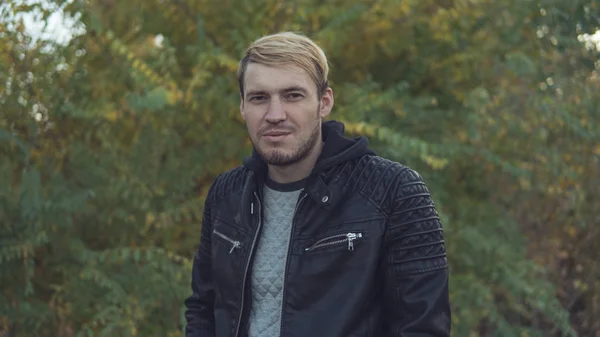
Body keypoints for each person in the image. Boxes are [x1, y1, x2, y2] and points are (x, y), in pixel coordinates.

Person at [184, 31, 451, 337]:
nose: (274, 115)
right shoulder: (226, 194)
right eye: (259, 98)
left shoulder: (393, 191)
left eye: (292, 95)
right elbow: (203, 308)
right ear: (243, 106)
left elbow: (422, 328)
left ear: (324, 103)